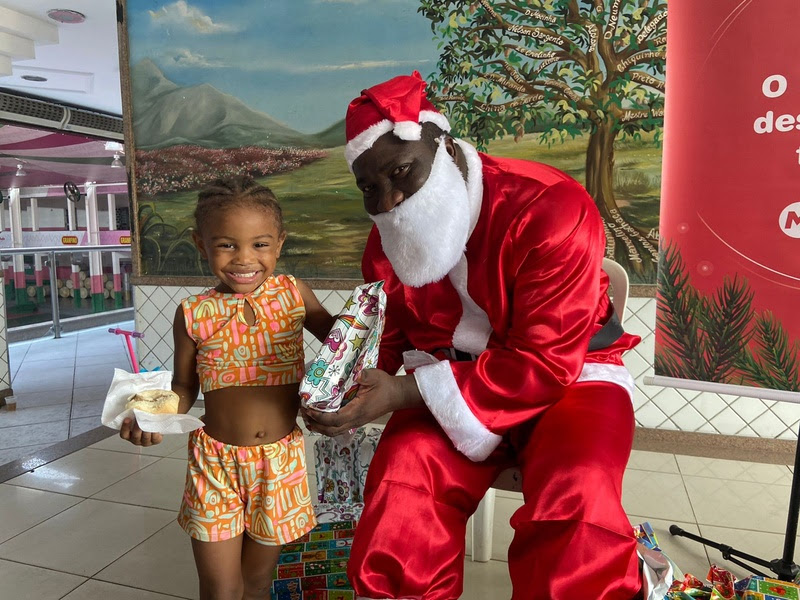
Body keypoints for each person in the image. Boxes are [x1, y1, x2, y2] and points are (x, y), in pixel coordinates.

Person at [302, 72, 644, 599]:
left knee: (578, 496)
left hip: (574, 376)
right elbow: (388, 335)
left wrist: (401, 393)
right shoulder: (388, 239)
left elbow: (547, 362)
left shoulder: (551, 206)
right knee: (402, 482)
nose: (388, 202)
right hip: (448, 379)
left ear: (443, 147)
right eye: (369, 188)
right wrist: (338, 391)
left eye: (400, 171)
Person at [121, 176, 336, 600]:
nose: (244, 259)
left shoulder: (293, 294)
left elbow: (341, 344)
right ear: (200, 244)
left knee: (256, 584)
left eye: (260, 244)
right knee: (221, 588)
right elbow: (183, 386)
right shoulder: (193, 312)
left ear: (279, 243)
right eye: (226, 245)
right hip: (214, 464)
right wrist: (150, 414)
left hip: (279, 465)